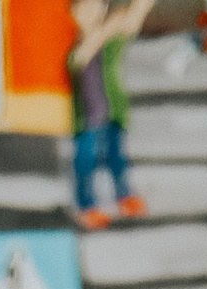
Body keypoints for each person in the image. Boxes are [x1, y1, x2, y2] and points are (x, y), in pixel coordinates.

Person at [66, 0, 152, 221]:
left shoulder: (111, 40)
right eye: (85, 7)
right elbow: (79, 58)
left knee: (117, 158)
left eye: (96, 6)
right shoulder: (71, 43)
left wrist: (115, 25)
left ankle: (124, 195)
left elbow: (133, 18)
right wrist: (108, 29)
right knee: (85, 162)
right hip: (86, 117)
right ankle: (86, 206)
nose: (91, 12)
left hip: (113, 112)